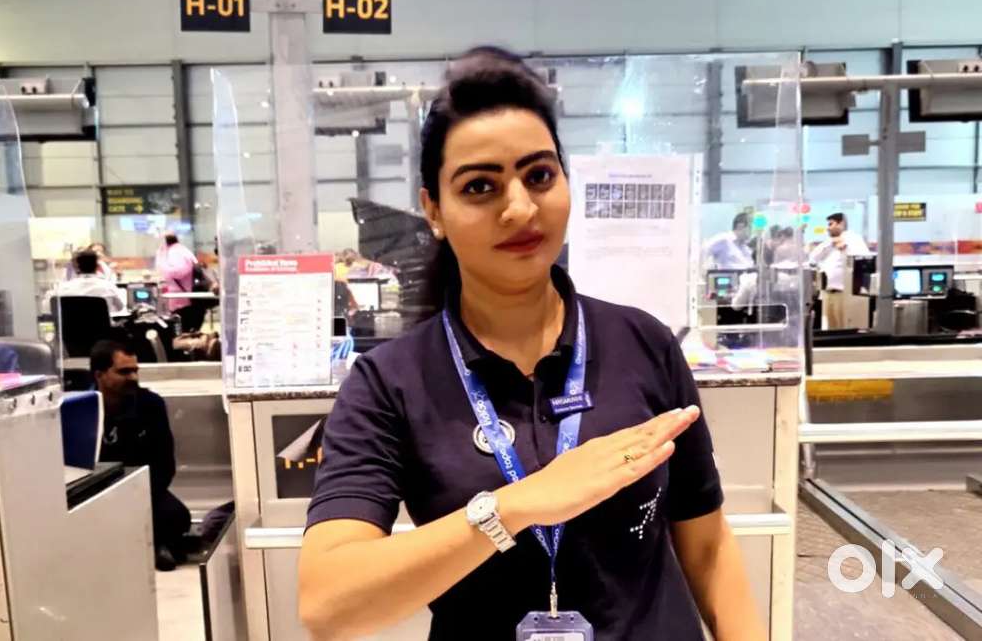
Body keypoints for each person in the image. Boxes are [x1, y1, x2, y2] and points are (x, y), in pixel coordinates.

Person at [298, 48, 763, 640]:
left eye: (539, 176)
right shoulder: (391, 383)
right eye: (480, 187)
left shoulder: (642, 344)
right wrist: (516, 506)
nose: (520, 208)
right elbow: (327, 603)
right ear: (433, 210)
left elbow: (708, 545)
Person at [90, 339, 190, 571]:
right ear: (100, 375)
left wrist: (136, 494)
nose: (133, 377)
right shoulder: (81, 409)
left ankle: (153, 544)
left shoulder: (150, 405)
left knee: (176, 515)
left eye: (135, 370)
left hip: (142, 489)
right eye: (124, 372)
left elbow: (165, 464)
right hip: (95, 490)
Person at [807, 213, 870, 329]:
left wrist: (845, 246)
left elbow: (863, 259)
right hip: (828, 294)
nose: (828, 228)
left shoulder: (854, 239)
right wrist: (831, 243)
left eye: (831, 224)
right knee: (829, 329)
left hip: (845, 294)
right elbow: (813, 257)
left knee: (844, 328)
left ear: (841, 224)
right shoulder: (828, 243)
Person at [45, 249, 126, 314]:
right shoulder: (108, 287)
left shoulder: (62, 288)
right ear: (97, 266)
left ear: (76, 267)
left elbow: (49, 308)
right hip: (100, 329)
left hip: (71, 329)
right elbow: (120, 308)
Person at [155, 231, 205, 332]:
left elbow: (178, 271)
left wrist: (162, 263)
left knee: (182, 333)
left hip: (183, 301)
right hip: (188, 299)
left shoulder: (174, 252)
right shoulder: (182, 250)